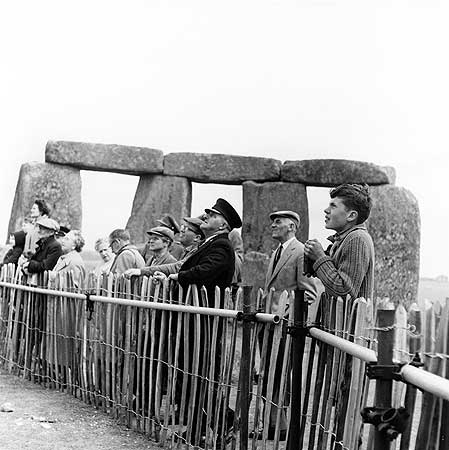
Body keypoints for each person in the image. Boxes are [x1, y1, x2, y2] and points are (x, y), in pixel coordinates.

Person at [252, 210, 317, 440]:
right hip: (269, 325)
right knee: (270, 372)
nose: (273, 226)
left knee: (278, 373)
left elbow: (309, 293)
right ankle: (273, 425)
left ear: (292, 227)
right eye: (272, 222)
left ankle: (278, 426)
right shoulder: (277, 252)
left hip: (284, 326)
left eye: (278, 222)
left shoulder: (299, 252)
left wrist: (288, 314)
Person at [304, 183, 375, 303]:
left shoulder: (357, 239)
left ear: (351, 216)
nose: (326, 210)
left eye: (333, 206)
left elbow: (344, 292)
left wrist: (320, 257)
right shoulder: (343, 239)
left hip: (350, 322)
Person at [125, 217, 204, 278]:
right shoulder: (152, 258)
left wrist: (142, 271)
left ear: (166, 243)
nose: (182, 230)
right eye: (182, 227)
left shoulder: (194, 252)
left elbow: (177, 268)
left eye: (186, 228)